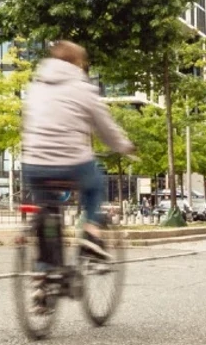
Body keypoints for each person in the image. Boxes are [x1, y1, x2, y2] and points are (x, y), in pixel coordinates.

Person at [20, 41, 135, 261]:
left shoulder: (35, 87)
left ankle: (44, 275)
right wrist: (124, 146)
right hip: (71, 163)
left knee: (46, 210)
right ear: (78, 63)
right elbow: (105, 127)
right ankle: (90, 235)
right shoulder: (82, 87)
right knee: (95, 184)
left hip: (33, 164)